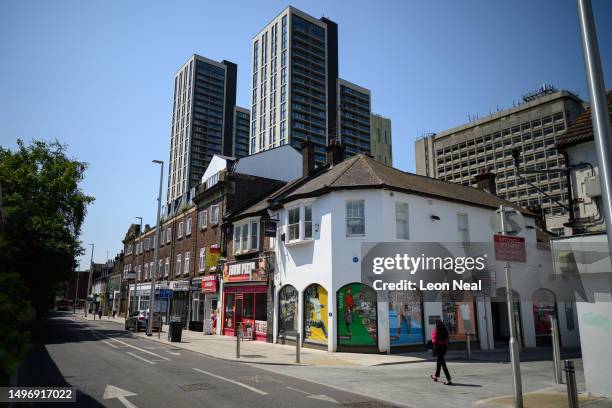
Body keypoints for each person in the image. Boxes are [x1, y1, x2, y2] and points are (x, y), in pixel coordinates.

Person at [430, 319, 452, 385]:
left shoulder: (436, 331)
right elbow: (446, 340)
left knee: (443, 364)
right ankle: (436, 376)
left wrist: (433, 334)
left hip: (438, 349)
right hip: (444, 349)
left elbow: (434, 341)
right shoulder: (445, 331)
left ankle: (449, 379)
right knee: (439, 363)